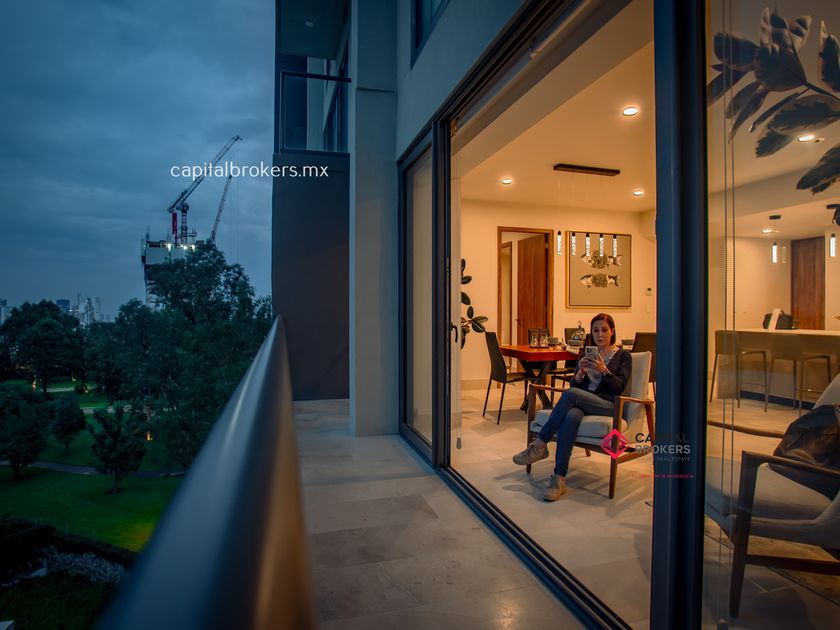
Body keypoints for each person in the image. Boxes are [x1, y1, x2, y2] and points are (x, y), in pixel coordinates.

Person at [512, 313, 632, 501]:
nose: (600, 334)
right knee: (571, 416)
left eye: (604, 330)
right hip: (584, 402)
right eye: (595, 330)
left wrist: (604, 370)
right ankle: (559, 479)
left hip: (608, 405)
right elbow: (575, 386)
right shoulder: (586, 355)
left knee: (570, 395)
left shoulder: (623, 355)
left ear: (612, 331)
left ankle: (540, 443)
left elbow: (619, 387)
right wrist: (580, 373)